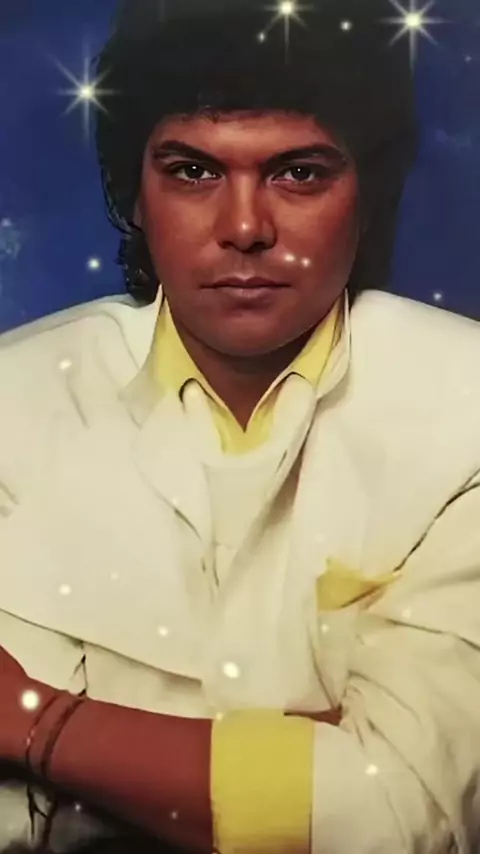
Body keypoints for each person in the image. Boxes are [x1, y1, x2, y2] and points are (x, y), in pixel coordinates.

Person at [1, 0, 480, 851]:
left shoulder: (464, 404)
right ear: (134, 193)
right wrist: (309, 749)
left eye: (299, 174)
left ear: (368, 191)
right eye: (193, 171)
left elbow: (396, 812)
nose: (246, 229)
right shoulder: (16, 399)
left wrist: (36, 724)